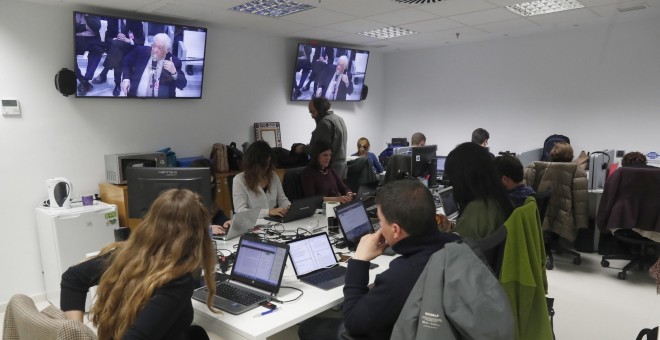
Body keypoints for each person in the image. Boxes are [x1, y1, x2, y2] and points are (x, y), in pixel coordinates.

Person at [298, 179, 460, 340]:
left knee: (309, 327)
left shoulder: (401, 275)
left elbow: (353, 323)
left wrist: (359, 260)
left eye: (381, 222)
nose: (380, 228)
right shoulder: (457, 244)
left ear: (395, 230)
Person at [60, 189, 217, 340]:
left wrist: (75, 330)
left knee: (196, 334)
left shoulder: (126, 255)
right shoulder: (177, 280)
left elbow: (72, 277)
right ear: (196, 234)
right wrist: (76, 334)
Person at [438, 142, 514, 241]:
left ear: (463, 179)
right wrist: (450, 228)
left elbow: (454, 250)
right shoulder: (499, 199)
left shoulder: (475, 211)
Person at [232, 140, 291, 219]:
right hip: (253, 225)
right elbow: (240, 211)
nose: (266, 167)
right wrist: (268, 212)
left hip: (274, 223)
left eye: (268, 162)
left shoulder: (273, 176)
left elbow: (282, 199)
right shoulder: (239, 180)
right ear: (252, 163)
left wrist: (289, 207)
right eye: (263, 164)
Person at [295, 97, 348, 179]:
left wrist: (302, 148)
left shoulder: (324, 123)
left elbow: (320, 150)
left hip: (330, 170)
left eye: (312, 112)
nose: (312, 116)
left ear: (320, 109)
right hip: (342, 168)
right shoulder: (339, 119)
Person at [120, 33, 187, 97]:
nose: (155, 50)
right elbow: (126, 61)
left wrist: (174, 73)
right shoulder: (141, 51)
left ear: (167, 50)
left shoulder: (174, 62)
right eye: (154, 46)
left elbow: (182, 85)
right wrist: (126, 79)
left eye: (160, 48)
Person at [92, 18, 145, 97]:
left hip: (131, 48)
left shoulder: (136, 21)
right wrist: (115, 39)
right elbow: (107, 38)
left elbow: (141, 41)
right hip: (116, 48)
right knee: (117, 52)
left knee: (116, 51)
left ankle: (110, 79)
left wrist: (128, 40)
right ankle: (117, 84)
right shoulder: (113, 20)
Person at [190, 158, 232, 235]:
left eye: (211, 184)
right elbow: (183, 228)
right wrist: (208, 229)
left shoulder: (208, 196)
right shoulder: (184, 201)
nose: (209, 187)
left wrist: (225, 222)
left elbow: (217, 215)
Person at [74, 13, 104, 96]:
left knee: (97, 51)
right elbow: (71, 26)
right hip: (76, 38)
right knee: (67, 52)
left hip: (92, 39)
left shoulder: (93, 13)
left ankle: (86, 80)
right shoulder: (73, 13)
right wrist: (86, 27)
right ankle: (80, 78)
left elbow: (97, 26)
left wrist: (88, 15)